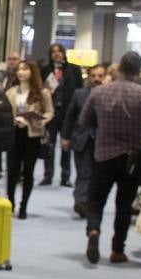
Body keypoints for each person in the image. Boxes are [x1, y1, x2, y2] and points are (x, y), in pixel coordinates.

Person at [79, 51, 141, 264]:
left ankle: (94, 230)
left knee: (95, 199)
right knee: (124, 205)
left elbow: (85, 120)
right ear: (138, 71)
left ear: (119, 69)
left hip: (103, 154)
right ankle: (118, 249)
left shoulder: (99, 93)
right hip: (133, 157)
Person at [5, 58, 53, 220]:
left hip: (31, 135)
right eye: (19, 69)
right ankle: (10, 202)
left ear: (32, 72)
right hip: (13, 134)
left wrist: (34, 120)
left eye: (25, 69)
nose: (21, 72)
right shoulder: (11, 92)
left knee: (28, 172)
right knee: (11, 171)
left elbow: (49, 113)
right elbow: (4, 112)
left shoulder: (42, 92)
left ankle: (23, 206)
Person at [62, 63, 105, 218]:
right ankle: (80, 201)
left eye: (100, 76)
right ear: (89, 77)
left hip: (102, 141)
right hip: (81, 138)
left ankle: (89, 201)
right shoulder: (79, 94)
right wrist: (65, 137)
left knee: (96, 174)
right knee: (83, 171)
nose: (96, 79)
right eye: (94, 76)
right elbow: (69, 116)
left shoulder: (109, 95)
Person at [41, 43, 83, 187]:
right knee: (49, 145)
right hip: (51, 113)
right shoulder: (45, 70)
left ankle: (66, 176)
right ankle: (48, 175)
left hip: (68, 113)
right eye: (53, 52)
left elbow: (80, 91)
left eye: (59, 51)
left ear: (64, 53)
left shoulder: (74, 69)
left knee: (66, 145)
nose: (56, 54)